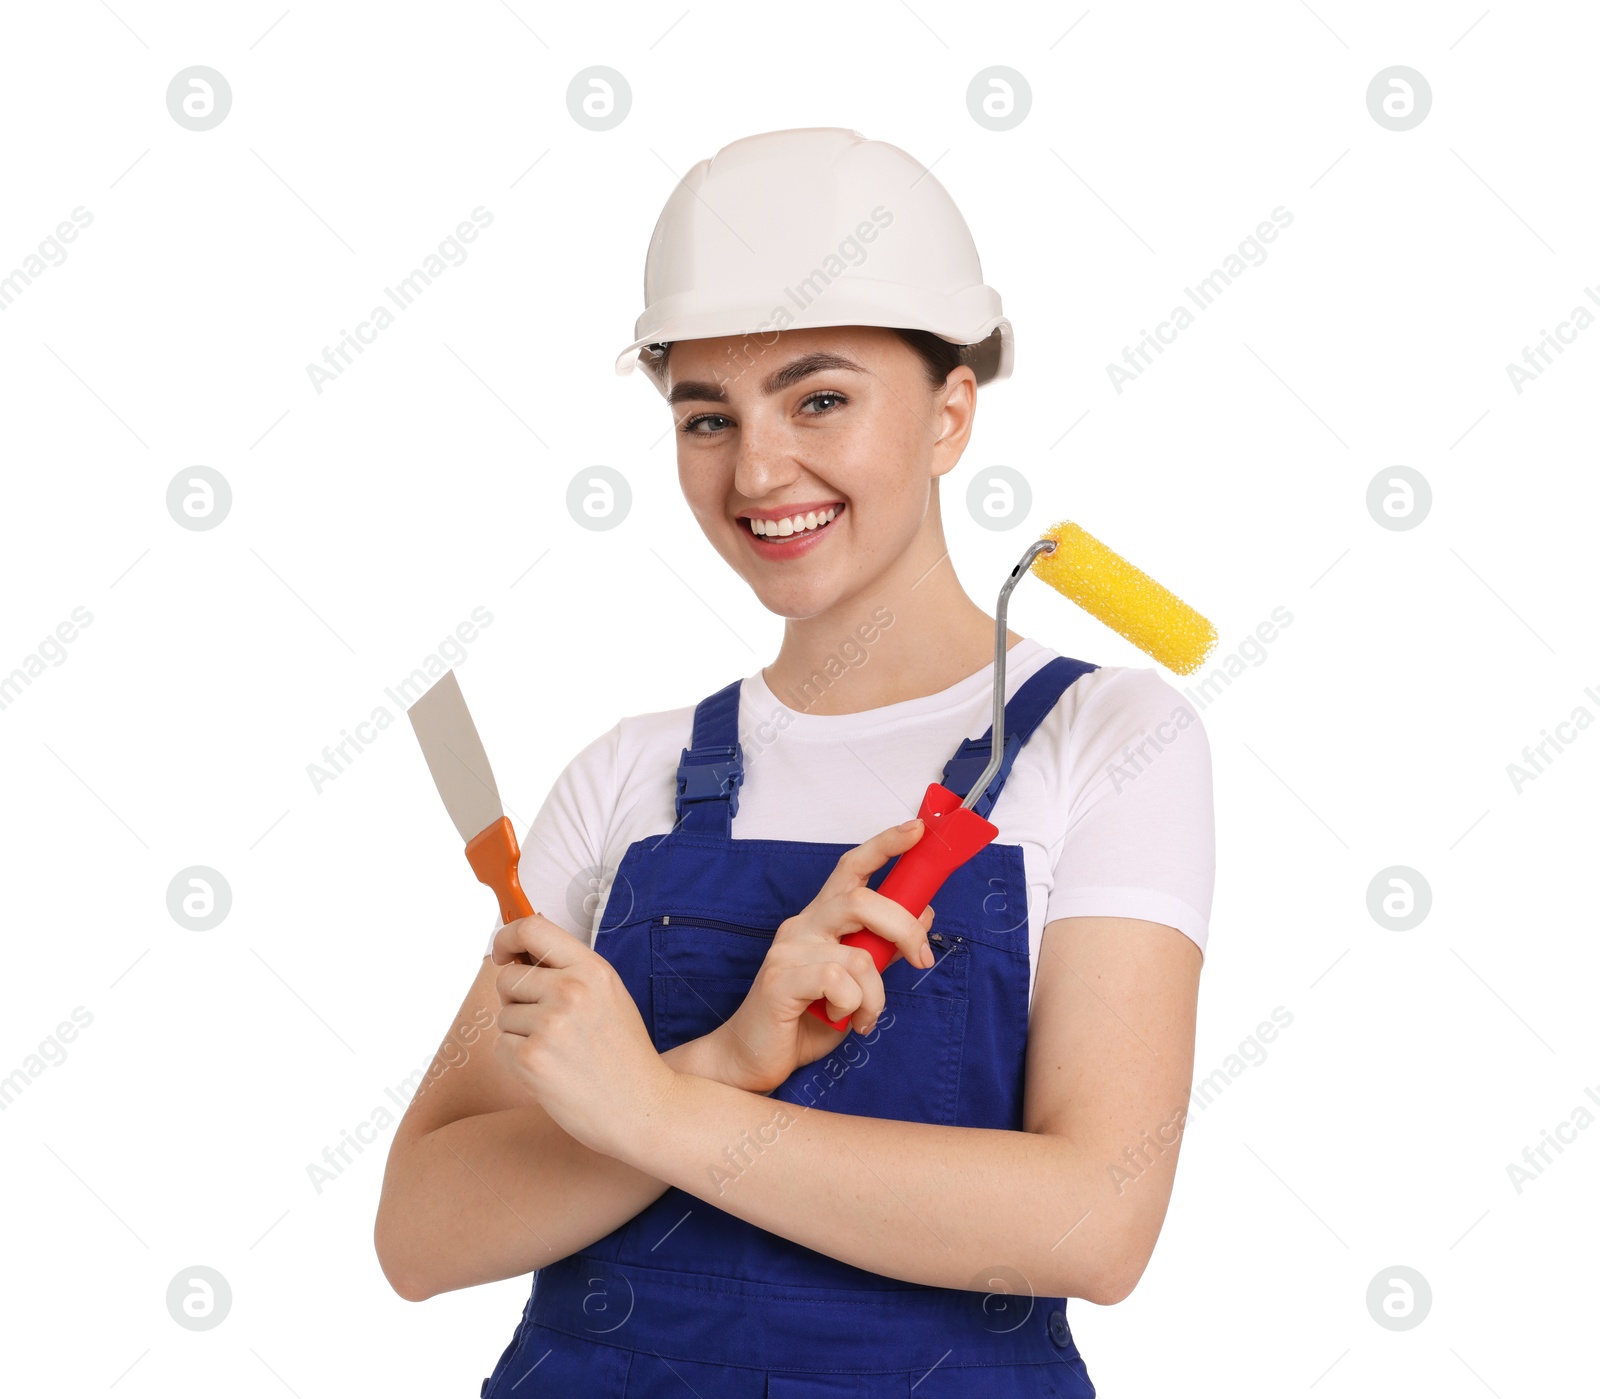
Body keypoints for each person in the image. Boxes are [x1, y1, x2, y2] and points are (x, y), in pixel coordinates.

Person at [375, 127, 1213, 1398]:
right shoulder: (628, 772)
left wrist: (651, 1111)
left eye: (819, 397)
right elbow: (423, 1230)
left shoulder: (1108, 738)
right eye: (706, 416)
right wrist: (720, 1058)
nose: (757, 471)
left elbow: (1091, 1222)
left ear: (950, 410)